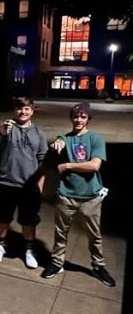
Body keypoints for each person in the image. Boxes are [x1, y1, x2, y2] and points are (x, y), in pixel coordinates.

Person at [41, 102, 116, 287]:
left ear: (88, 118)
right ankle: (57, 263)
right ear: (71, 118)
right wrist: (58, 141)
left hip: (90, 197)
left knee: (94, 235)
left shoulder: (95, 139)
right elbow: (59, 142)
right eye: (75, 116)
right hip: (66, 195)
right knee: (60, 233)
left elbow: (94, 165)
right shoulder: (66, 138)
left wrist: (67, 165)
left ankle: (98, 266)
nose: (79, 120)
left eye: (83, 117)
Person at [0, 97, 47, 269]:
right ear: (15, 110)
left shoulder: (39, 133)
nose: (23, 112)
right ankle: (0, 245)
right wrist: (2, 131)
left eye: (27, 109)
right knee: (2, 217)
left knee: (28, 221)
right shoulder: (7, 127)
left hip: (29, 186)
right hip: (6, 182)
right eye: (19, 108)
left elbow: (42, 161)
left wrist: (40, 185)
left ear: (32, 111)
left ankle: (29, 250)